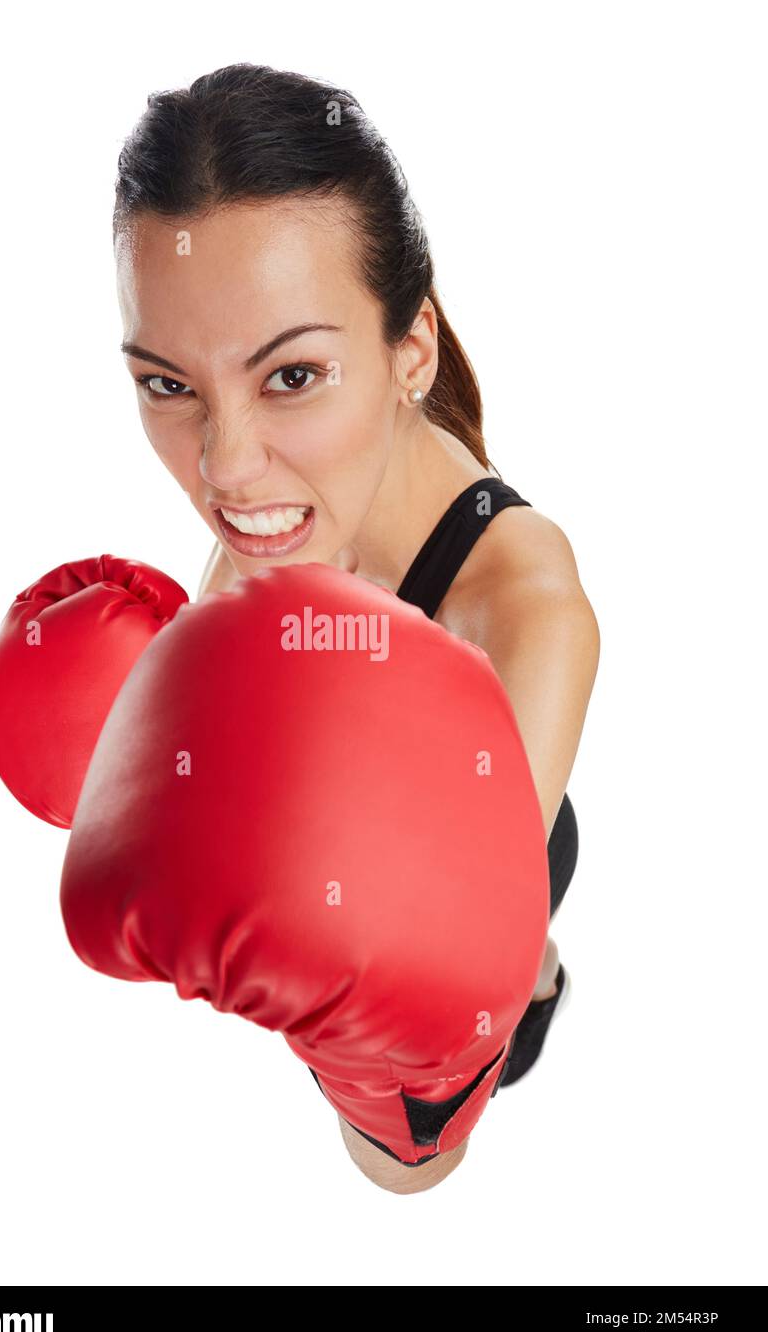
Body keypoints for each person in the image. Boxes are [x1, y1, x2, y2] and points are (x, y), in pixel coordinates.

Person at [112, 63, 600, 1192]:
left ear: (409, 348)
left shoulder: (528, 611)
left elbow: (413, 1164)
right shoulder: (274, 504)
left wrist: (333, 1033)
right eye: (166, 384)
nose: (225, 467)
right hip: (362, 845)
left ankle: (537, 970)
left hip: (498, 868)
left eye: (291, 373)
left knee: (496, 1001)